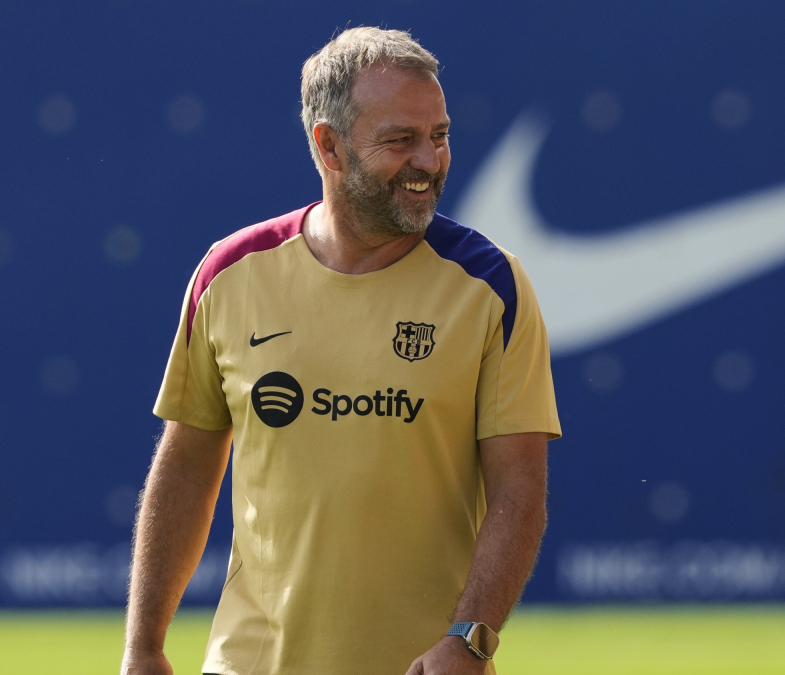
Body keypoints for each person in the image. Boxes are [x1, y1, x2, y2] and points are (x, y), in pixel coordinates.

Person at [121, 27, 560, 675]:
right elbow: (186, 466)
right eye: (400, 140)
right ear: (329, 145)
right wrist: (142, 647)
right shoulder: (229, 274)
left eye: (439, 135)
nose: (429, 160)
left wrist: (469, 638)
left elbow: (519, 491)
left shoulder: (492, 284)